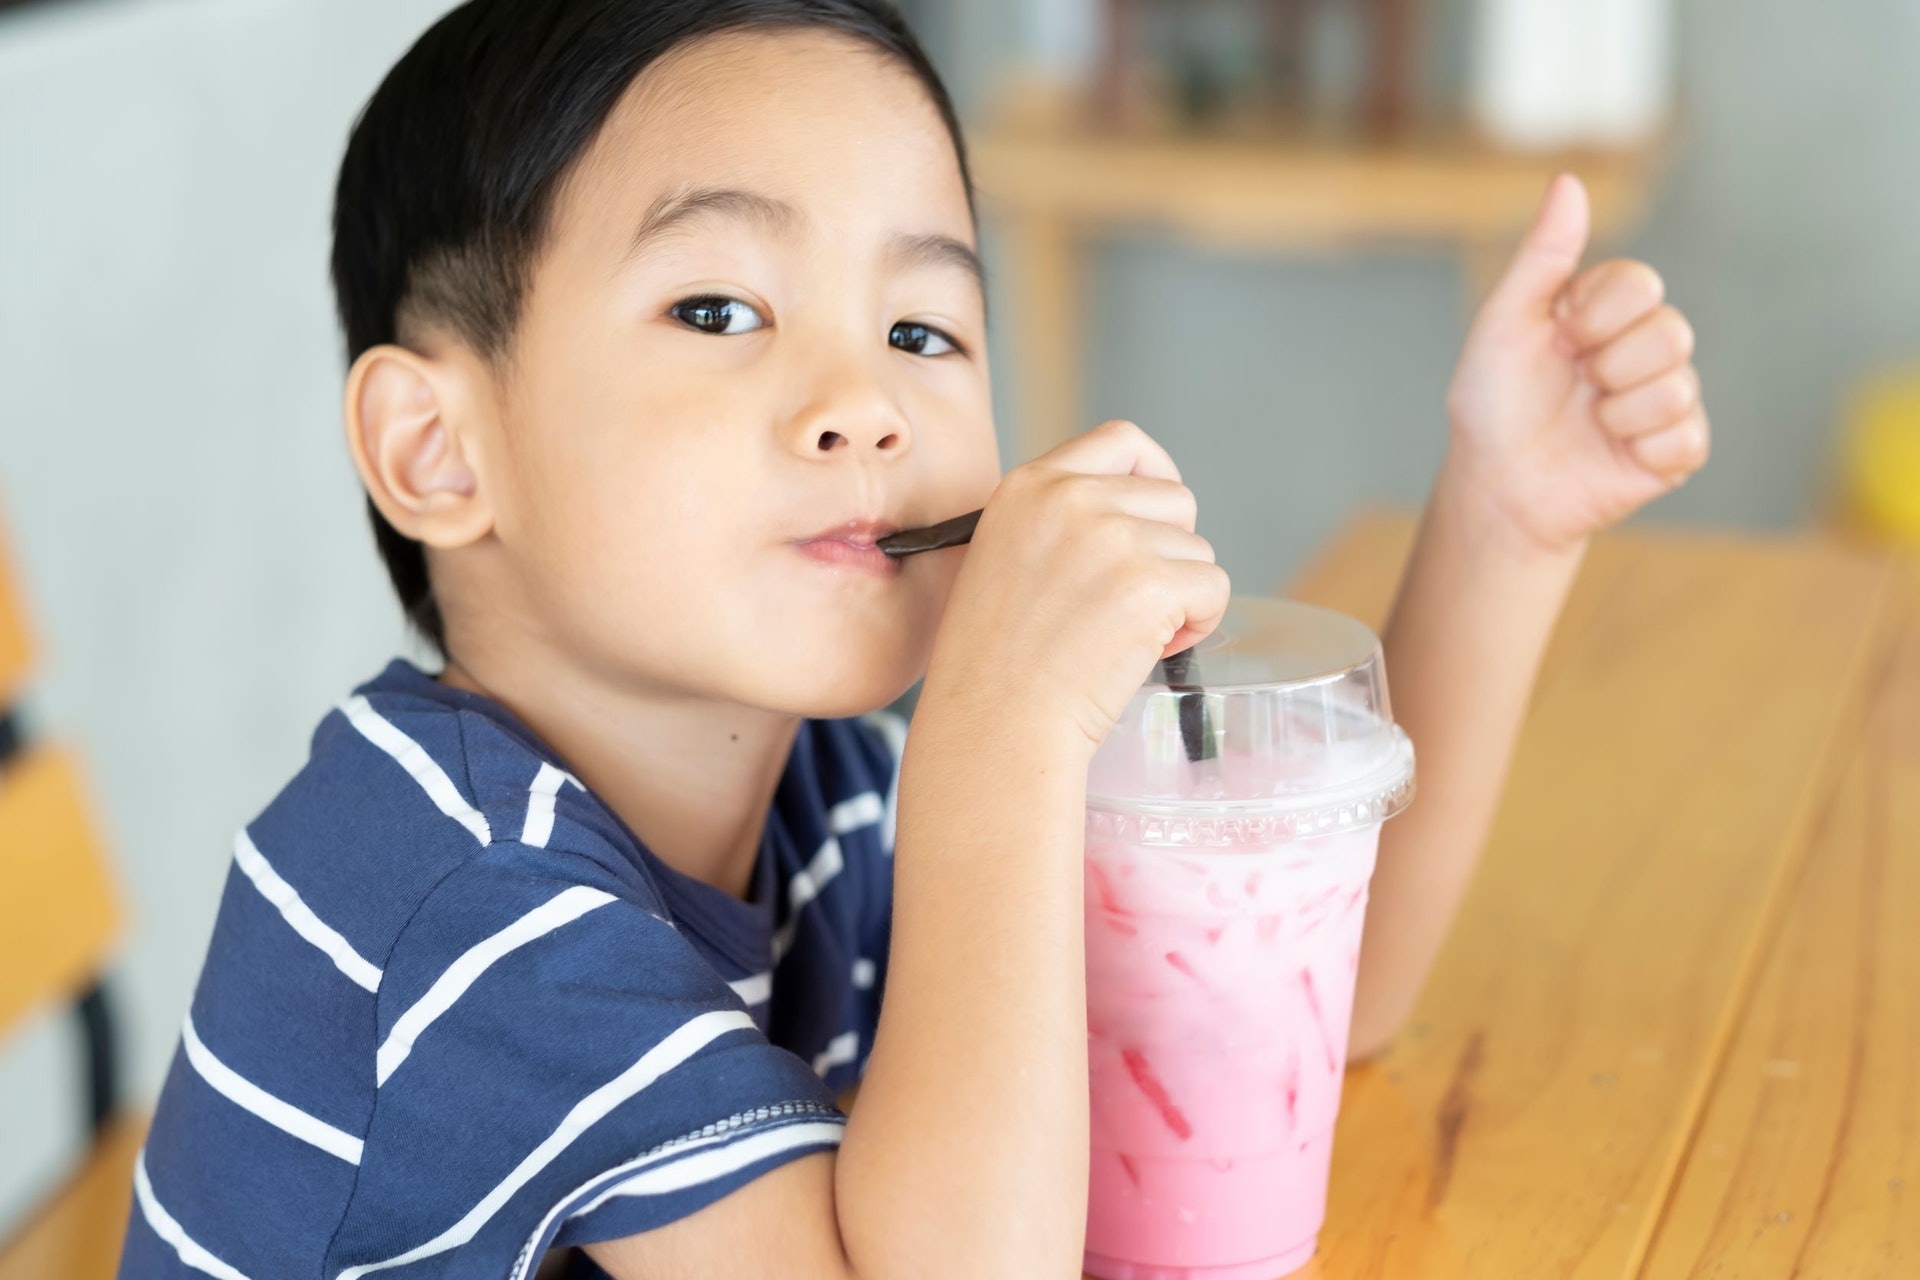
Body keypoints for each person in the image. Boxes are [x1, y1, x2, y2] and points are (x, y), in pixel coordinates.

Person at [117, 1, 1709, 1276]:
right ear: (439, 454)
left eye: (923, 330)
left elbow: (1301, 1008)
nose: (866, 405)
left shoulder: (827, 802)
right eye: (722, 311)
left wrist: (1509, 515)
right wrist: (1002, 746)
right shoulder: (453, 893)